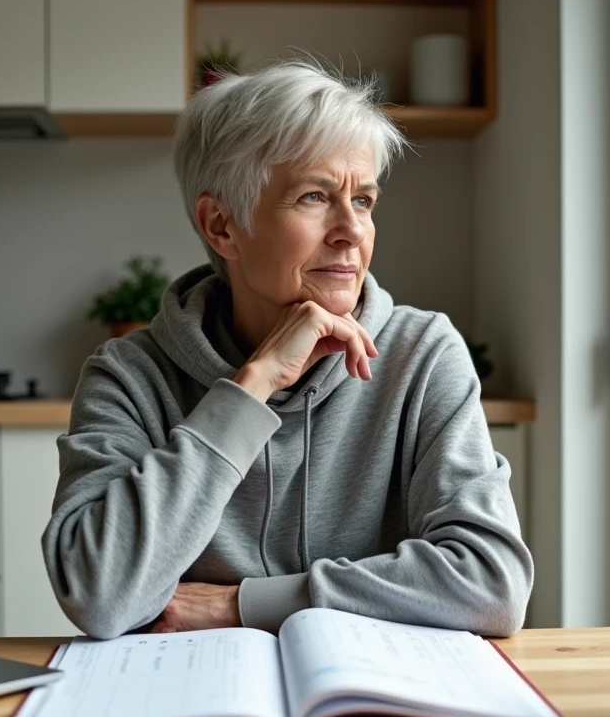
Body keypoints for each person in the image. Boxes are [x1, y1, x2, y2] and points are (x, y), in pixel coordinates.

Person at [42, 60, 533, 639]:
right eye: (313, 197)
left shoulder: (421, 355)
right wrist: (250, 389)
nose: (352, 230)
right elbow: (97, 593)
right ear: (222, 226)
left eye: (366, 201)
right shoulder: (128, 376)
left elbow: (492, 584)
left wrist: (240, 605)